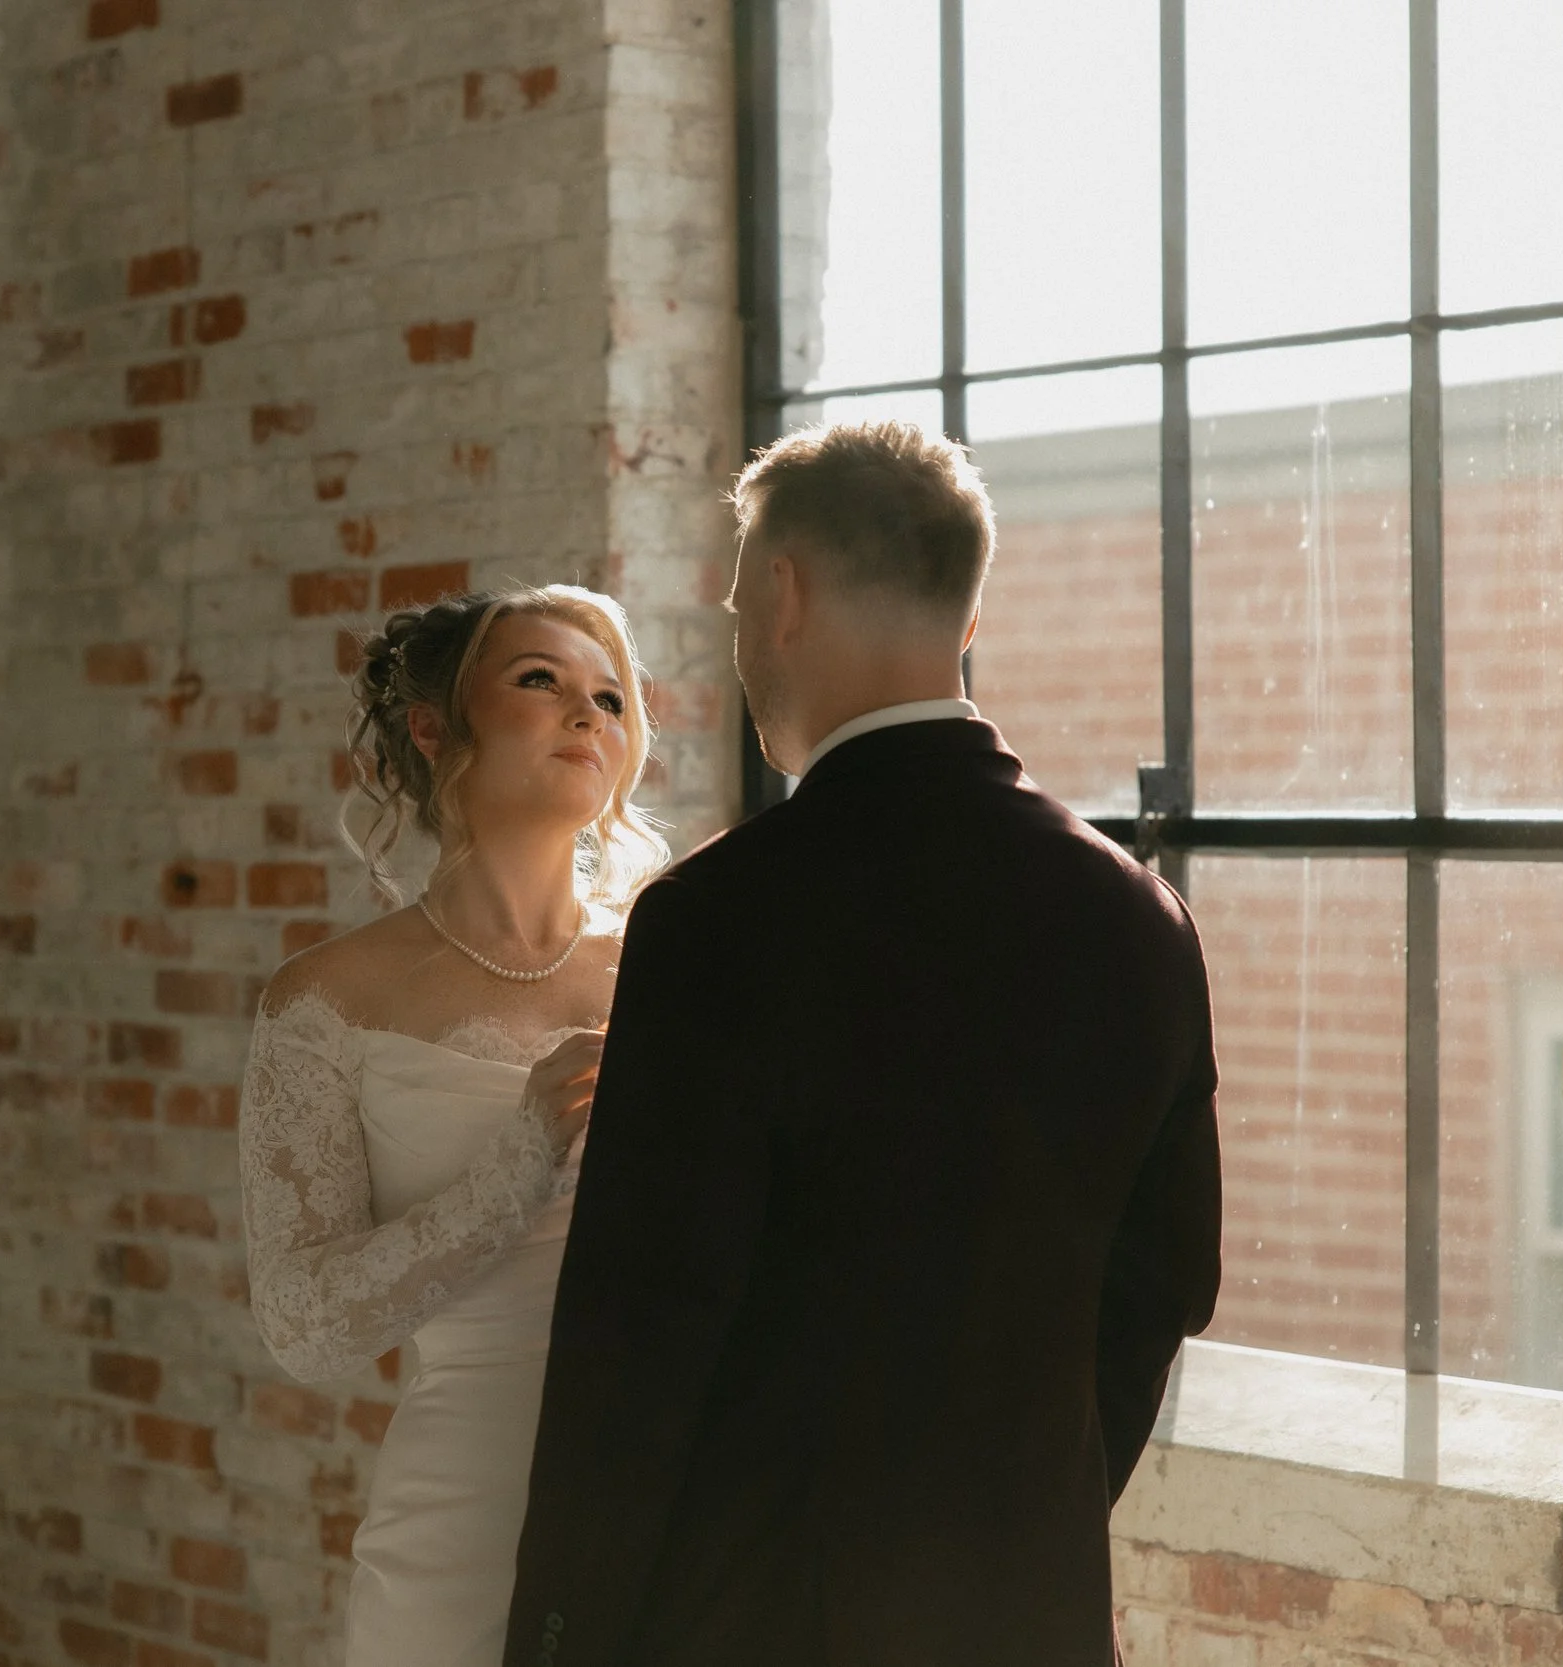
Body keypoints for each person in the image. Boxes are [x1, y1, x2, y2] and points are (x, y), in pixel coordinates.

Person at [505, 422, 1225, 1667]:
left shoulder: (716, 918)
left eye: (740, 599)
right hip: (1027, 1617)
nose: (741, 637)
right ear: (966, 617)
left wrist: (557, 1639)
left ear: (783, 593)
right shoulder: (1141, 915)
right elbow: (1164, 1283)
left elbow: (642, 1341)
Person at [238, 583, 670, 1667]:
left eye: (610, 697)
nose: (587, 713)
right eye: (541, 679)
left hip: (671, 1500)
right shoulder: (326, 998)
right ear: (434, 728)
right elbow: (304, 1326)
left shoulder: (674, 969)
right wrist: (517, 1165)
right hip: (458, 1522)